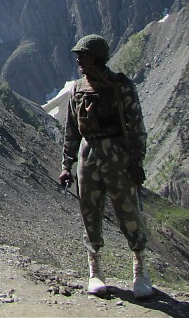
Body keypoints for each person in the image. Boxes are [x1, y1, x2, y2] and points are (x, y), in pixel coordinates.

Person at [59, 34, 153, 300]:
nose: (78, 59)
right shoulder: (76, 90)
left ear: (97, 57)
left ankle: (140, 270)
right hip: (88, 155)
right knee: (90, 212)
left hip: (118, 157)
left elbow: (136, 127)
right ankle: (95, 272)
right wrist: (67, 165)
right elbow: (71, 131)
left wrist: (136, 160)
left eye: (84, 55)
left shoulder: (121, 87)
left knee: (128, 212)